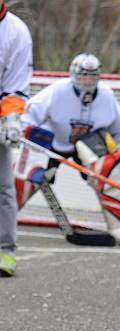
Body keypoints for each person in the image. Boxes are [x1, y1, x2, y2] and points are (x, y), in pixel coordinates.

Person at [20, 53, 120, 246]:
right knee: (24, 175)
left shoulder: (105, 96)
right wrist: (23, 131)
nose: (87, 81)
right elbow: (27, 116)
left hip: (87, 146)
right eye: (83, 75)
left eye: (92, 76)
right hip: (52, 144)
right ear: (73, 75)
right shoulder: (57, 92)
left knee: (109, 164)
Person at [0, 1, 32, 277]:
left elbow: (16, 86)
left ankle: (4, 251)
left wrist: (10, 120)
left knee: (3, 187)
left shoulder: (16, 32)